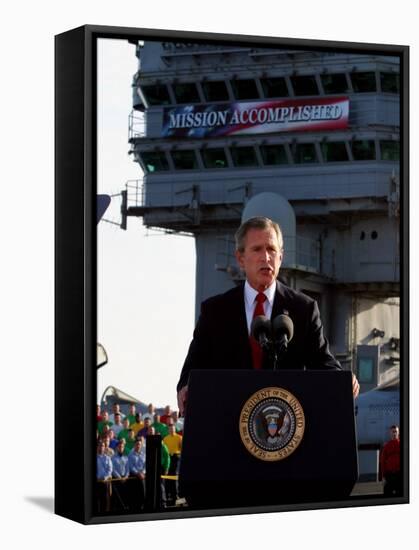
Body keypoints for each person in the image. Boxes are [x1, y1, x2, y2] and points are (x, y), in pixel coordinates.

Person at [177, 216, 359, 415]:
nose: (266, 257)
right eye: (257, 249)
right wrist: (186, 387)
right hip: (229, 420)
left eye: (272, 249)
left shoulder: (303, 309)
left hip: (286, 427)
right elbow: (193, 368)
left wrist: (343, 380)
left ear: (281, 257)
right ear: (240, 258)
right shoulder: (215, 311)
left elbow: (324, 363)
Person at [379, 425, 401, 496]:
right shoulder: (386, 446)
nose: (394, 433)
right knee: (387, 495)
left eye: (396, 432)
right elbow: (382, 462)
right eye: (393, 432)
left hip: (399, 475)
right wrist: (383, 476)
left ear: (398, 433)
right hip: (389, 475)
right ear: (390, 433)